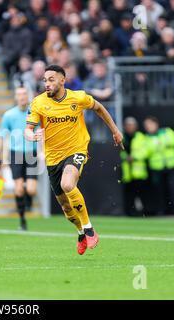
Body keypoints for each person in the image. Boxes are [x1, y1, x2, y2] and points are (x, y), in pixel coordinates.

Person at [25, 65, 123, 255]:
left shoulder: (78, 97)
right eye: (45, 80)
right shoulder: (38, 103)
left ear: (63, 80)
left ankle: (88, 228)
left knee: (68, 184)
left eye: (51, 79)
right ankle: (80, 232)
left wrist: (115, 130)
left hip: (76, 149)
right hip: (53, 157)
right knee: (66, 208)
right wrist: (30, 135)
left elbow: (99, 108)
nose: (47, 83)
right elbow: (28, 128)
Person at [0, 87, 38, 231]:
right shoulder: (9, 115)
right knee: (18, 190)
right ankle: (22, 220)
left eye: (24, 94)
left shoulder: (34, 113)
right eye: (19, 94)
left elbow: (41, 133)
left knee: (31, 190)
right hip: (15, 154)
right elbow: (1, 137)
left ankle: (26, 198)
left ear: (28, 96)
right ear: (16, 97)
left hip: (32, 153)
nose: (22, 97)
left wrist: (43, 151)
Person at [143, 116, 174, 215]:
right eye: (146, 125)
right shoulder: (146, 137)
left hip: (171, 165)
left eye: (149, 124)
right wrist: (161, 145)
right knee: (159, 190)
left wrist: (158, 145)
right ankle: (161, 210)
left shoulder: (167, 131)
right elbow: (146, 151)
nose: (148, 127)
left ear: (156, 124)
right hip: (157, 167)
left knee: (173, 188)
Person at [120, 117, 149, 216]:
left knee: (142, 193)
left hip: (139, 172)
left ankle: (144, 212)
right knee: (129, 195)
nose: (130, 127)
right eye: (128, 125)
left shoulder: (141, 137)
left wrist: (134, 157)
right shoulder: (122, 137)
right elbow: (120, 152)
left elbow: (146, 151)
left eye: (131, 125)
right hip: (127, 172)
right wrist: (126, 158)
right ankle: (130, 212)